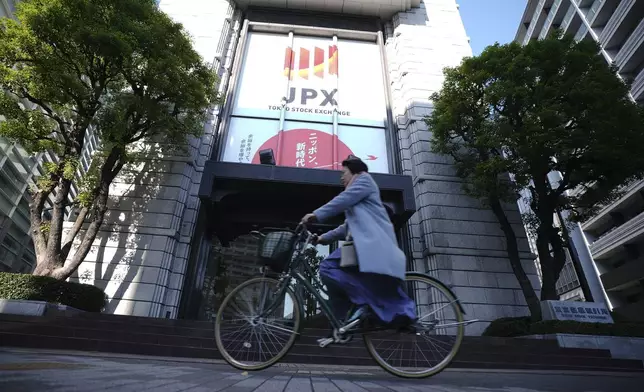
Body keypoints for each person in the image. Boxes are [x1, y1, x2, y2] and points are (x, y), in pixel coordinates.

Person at [301, 155, 417, 341]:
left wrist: (316, 215)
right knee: (336, 278)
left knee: (328, 267)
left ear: (354, 170)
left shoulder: (364, 180)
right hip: (363, 247)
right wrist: (321, 238)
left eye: (343, 173)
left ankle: (362, 303)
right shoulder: (359, 197)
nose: (341, 177)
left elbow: (342, 200)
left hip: (371, 246)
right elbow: (345, 227)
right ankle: (342, 323)